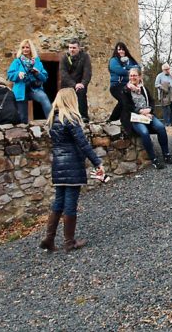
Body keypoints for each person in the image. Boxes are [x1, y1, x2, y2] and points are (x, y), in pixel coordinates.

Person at [39, 88, 106, 252]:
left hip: (58, 165)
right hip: (72, 164)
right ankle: (69, 241)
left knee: (59, 201)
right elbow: (82, 143)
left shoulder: (53, 119)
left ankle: (49, 238)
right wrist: (97, 162)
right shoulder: (71, 119)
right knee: (70, 203)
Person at [121, 68, 172, 169]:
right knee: (144, 133)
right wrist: (140, 111)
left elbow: (152, 101)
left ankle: (166, 154)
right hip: (135, 117)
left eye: (135, 75)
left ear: (139, 77)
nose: (133, 77)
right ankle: (154, 159)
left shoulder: (144, 89)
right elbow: (126, 106)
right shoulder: (125, 90)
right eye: (131, 75)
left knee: (161, 128)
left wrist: (149, 110)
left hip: (148, 115)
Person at [6, 39, 52, 123]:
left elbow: (45, 77)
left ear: (31, 49)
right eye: (23, 47)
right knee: (22, 116)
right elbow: (9, 75)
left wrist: (38, 73)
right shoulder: (17, 62)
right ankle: (24, 132)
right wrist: (17, 74)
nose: (25, 49)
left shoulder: (37, 62)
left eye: (27, 47)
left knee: (44, 98)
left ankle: (51, 122)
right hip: (20, 89)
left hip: (34, 88)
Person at [60, 39, 92, 122]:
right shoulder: (64, 58)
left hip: (80, 83)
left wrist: (82, 83)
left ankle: (83, 117)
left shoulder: (85, 57)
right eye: (70, 47)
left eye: (74, 48)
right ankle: (65, 117)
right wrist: (74, 84)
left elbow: (87, 72)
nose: (71, 50)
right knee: (65, 97)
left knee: (81, 93)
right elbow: (63, 73)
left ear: (79, 48)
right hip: (68, 83)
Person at [107, 42, 139, 123]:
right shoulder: (113, 60)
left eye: (122, 49)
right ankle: (116, 120)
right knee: (123, 100)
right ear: (116, 51)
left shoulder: (130, 60)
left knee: (128, 102)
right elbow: (119, 71)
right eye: (119, 49)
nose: (121, 51)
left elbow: (138, 68)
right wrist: (130, 69)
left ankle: (114, 119)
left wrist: (126, 67)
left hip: (128, 86)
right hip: (116, 85)